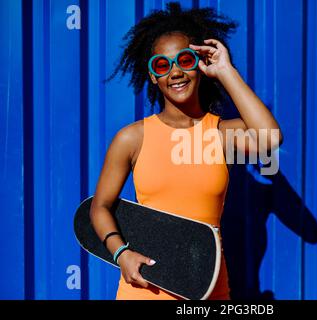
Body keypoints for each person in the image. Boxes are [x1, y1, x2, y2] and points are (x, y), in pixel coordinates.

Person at [90, 2, 283, 300]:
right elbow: (100, 206)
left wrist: (224, 71)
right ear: (153, 76)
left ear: (199, 65)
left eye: (185, 60)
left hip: (208, 289)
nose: (176, 72)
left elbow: (270, 139)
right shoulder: (132, 139)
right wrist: (121, 254)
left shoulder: (220, 134)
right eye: (162, 65)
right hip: (143, 289)